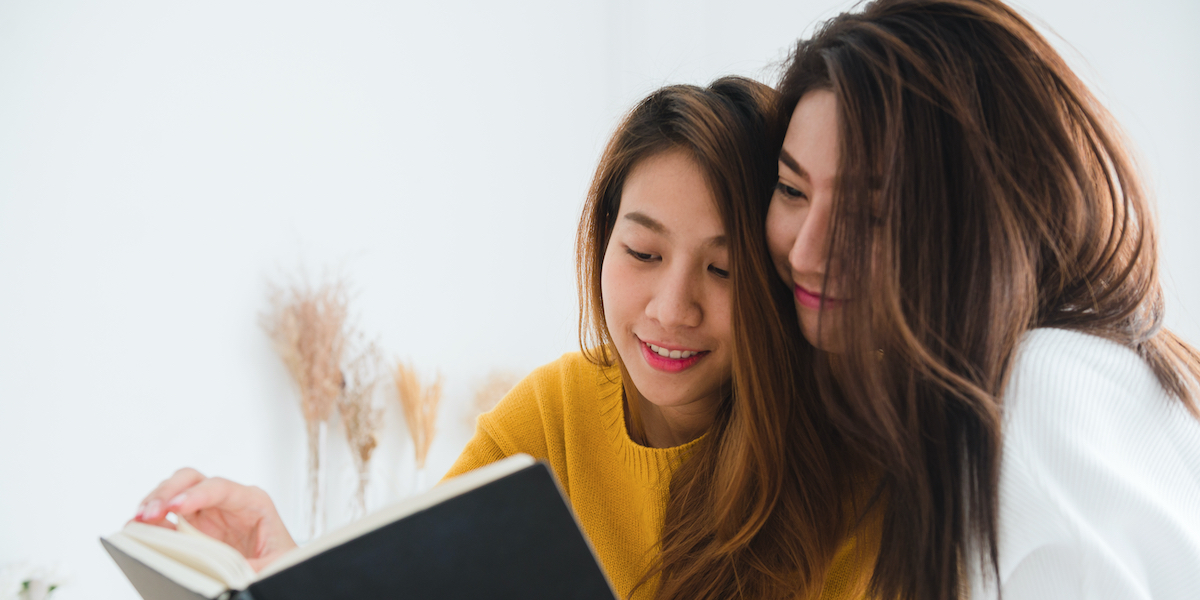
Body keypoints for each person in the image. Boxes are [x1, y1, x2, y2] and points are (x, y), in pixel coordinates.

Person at [132, 77, 879, 600]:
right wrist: (283, 571)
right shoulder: (554, 411)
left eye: (722, 270)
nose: (670, 308)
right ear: (601, 242)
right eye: (643, 254)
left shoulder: (844, 480)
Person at [757, 0, 1200, 598]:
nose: (808, 253)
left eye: (869, 212)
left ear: (983, 218)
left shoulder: (1039, 396)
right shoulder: (1098, 371)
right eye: (790, 189)